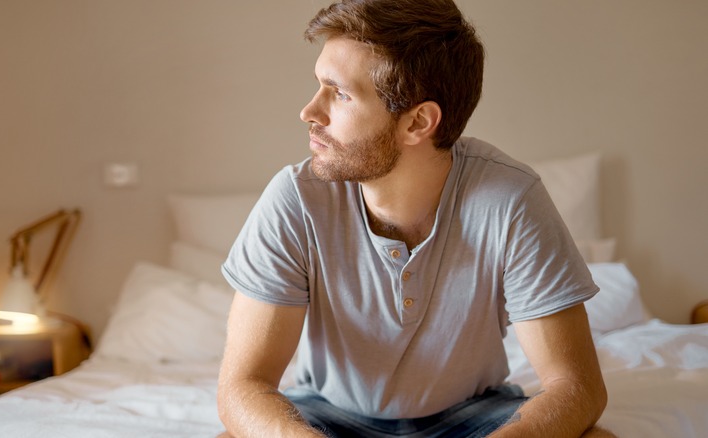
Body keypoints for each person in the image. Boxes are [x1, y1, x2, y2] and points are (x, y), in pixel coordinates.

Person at [217, 0, 613, 436]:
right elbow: (243, 385)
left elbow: (576, 387)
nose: (310, 112)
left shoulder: (510, 198)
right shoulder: (295, 199)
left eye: (340, 93)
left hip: (470, 415)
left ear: (418, 122)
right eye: (318, 86)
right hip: (326, 415)